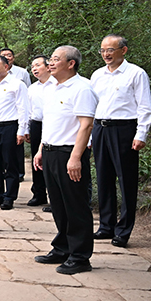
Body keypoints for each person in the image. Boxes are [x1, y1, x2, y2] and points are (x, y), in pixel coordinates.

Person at [32, 45, 97, 274]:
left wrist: (76, 158)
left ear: (71, 64)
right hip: (50, 151)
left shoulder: (82, 88)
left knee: (75, 204)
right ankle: (62, 248)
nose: (50, 63)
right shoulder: (51, 88)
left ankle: (80, 256)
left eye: (56, 59)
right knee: (58, 204)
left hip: (69, 153)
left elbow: (86, 125)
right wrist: (41, 149)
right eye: (50, 58)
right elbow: (50, 122)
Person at [90, 35, 151, 248]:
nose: (106, 54)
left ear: (123, 50)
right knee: (103, 178)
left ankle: (123, 230)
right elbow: (92, 106)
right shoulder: (97, 75)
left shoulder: (136, 73)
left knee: (126, 180)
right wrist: (90, 135)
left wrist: (141, 134)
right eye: (102, 50)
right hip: (100, 128)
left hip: (124, 130)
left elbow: (144, 106)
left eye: (110, 50)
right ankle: (106, 225)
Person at [0, 55, 29, 211]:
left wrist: (22, 130)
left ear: (6, 67)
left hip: (9, 127)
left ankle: (9, 196)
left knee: (10, 163)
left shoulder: (17, 84)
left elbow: (23, 108)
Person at [25, 54, 54, 207]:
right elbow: (29, 110)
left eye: (38, 65)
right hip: (37, 125)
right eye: (32, 67)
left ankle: (54, 197)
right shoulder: (32, 88)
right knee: (37, 161)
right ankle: (39, 193)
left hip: (54, 125)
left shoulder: (56, 84)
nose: (34, 69)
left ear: (48, 67)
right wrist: (27, 128)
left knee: (51, 160)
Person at [0, 47, 31, 182]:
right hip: (0, 117)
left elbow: (28, 92)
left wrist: (24, 126)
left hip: (15, 116)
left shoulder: (22, 72)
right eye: (4, 55)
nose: (7, 57)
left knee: (16, 149)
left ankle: (19, 173)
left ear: (13, 58)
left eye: (9, 55)